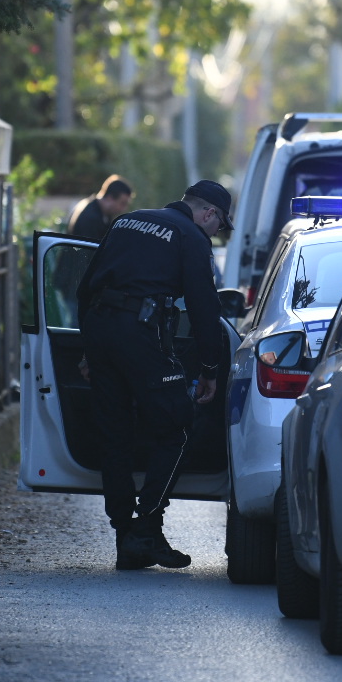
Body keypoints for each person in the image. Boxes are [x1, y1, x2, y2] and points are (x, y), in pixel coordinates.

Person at [75, 180, 233, 571]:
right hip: (141, 335)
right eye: (219, 225)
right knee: (178, 428)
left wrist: (87, 348)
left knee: (115, 435)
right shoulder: (191, 237)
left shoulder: (128, 221)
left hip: (101, 329)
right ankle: (147, 529)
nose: (216, 233)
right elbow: (202, 307)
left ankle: (124, 536)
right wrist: (211, 369)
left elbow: (85, 287)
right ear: (209, 213)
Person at [68, 175, 135, 242]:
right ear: (110, 198)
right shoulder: (91, 217)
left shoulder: (100, 211)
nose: (124, 209)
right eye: (122, 203)